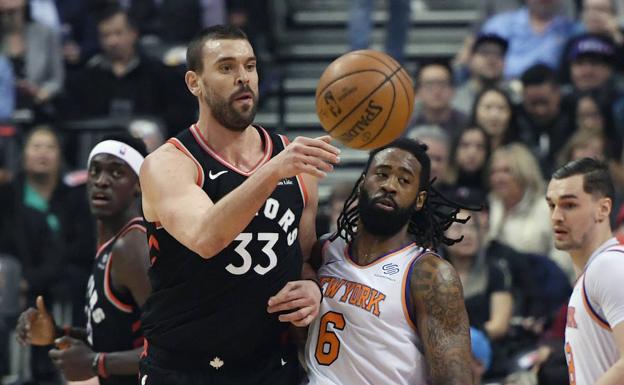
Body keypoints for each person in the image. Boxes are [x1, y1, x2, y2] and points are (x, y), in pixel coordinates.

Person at [138, 25, 340, 385]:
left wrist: (312, 289)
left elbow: (303, 261)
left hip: (269, 367)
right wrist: (271, 172)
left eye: (249, 66)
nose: (243, 78)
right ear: (193, 83)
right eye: (226, 67)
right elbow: (206, 237)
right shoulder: (170, 164)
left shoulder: (293, 165)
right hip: (184, 369)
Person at [304, 138, 473, 385]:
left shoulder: (429, 274)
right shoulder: (326, 249)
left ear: (419, 200)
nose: (390, 186)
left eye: (404, 180)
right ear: (363, 182)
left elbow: (454, 380)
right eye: (381, 174)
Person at [15, 135, 151, 384]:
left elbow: (171, 349)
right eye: (95, 171)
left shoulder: (132, 247)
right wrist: (57, 332)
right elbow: (115, 338)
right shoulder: (110, 244)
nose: (101, 181)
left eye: (116, 173)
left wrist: (95, 363)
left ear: (138, 185)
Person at [546, 157, 624, 384]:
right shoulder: (593, 272)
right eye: (552, 205)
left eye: (569, 205)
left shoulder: (609, 267)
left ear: (603, 209)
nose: (556, 217)